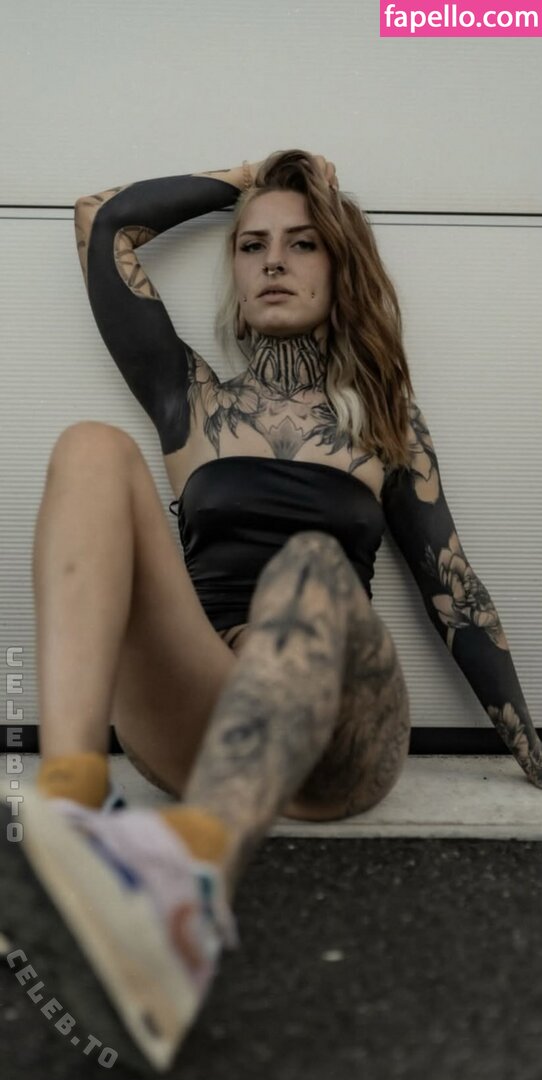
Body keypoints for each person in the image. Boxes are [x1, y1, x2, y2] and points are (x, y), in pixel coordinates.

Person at [2, 150, 540, 1074]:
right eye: (252, 246)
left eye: (302, 243)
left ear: (339, 264)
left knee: (310, 567)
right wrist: (245, 177)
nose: (274, 261)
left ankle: (183, 883)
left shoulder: (386, 423)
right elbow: (104, 221)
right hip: (206, 708)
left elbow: (456, 593)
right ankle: (72, 819)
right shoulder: (192, 400)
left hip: (336, 730)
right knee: (90, 446)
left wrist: (530, 745)